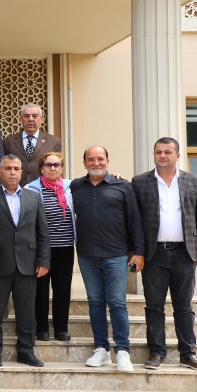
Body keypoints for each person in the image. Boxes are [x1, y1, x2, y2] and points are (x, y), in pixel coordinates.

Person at [131, 137, 197, 371]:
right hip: (154, 254)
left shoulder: (192, 181)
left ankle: (188, 353)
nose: (162, 156)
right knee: (154, 306)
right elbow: (134, 221)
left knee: (184, 306)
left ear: (177, 155)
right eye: (158, 152)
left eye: (168, 152)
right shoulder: (140, 182)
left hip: (184, 253)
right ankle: (156, 352)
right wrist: (136, 252)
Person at [70, 145, 145, 373]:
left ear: (107, 161)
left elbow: (134, 220)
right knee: (95, 302)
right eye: (91, 159)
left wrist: (138, 252)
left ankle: (123, 351)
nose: (96, 163)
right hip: (87, 255)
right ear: (84, 163)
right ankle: (101, 349)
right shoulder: (75, 186)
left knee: (117, 302)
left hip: (116, 255)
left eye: (100, 159)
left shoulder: (123, 186)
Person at [0, 155, 50, 367]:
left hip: (28, 264)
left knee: (27, 311)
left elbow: (43, 232)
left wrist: (43, 261)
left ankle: (26, 350)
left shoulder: (33, 197)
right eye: (8, 168)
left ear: (21, 172)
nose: (12, 172)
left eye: (16, 169)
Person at [24, 152, 76, 342]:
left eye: (57, 164)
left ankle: (61, 328)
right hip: (41, 249)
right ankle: (42, 328)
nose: (53, 168)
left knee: (62, 289)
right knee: (41, 289)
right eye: (48, 165)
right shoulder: (30, 189)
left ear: (62, 167)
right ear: (41, 168)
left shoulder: (71, 187)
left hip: (65, 246)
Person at [3, 104, 63, 187]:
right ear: (21, 119)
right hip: (16, 189)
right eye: (26, 116)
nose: (31, 119)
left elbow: (58, 167)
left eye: (35, 116)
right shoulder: (8, 141)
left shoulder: (54, 141)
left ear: (41, 119)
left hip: (43, 189)